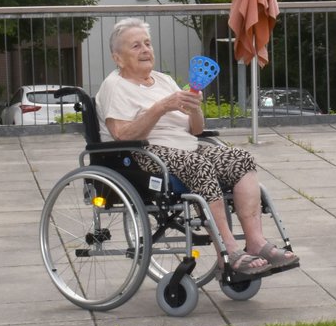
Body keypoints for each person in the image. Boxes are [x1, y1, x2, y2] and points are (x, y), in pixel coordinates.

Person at [96, 17, 299, 278]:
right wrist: (161, 108)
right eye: (135, 46)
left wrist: (194, 108)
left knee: (240, 158)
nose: (146, 50)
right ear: (118, 58)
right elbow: (122, 134)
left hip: (187, 145)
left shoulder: (163, 80)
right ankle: (229, 252)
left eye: (147, 43)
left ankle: (256, 241)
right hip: (142, 153)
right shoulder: (115, 86)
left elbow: (196, 130)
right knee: (198, 166)